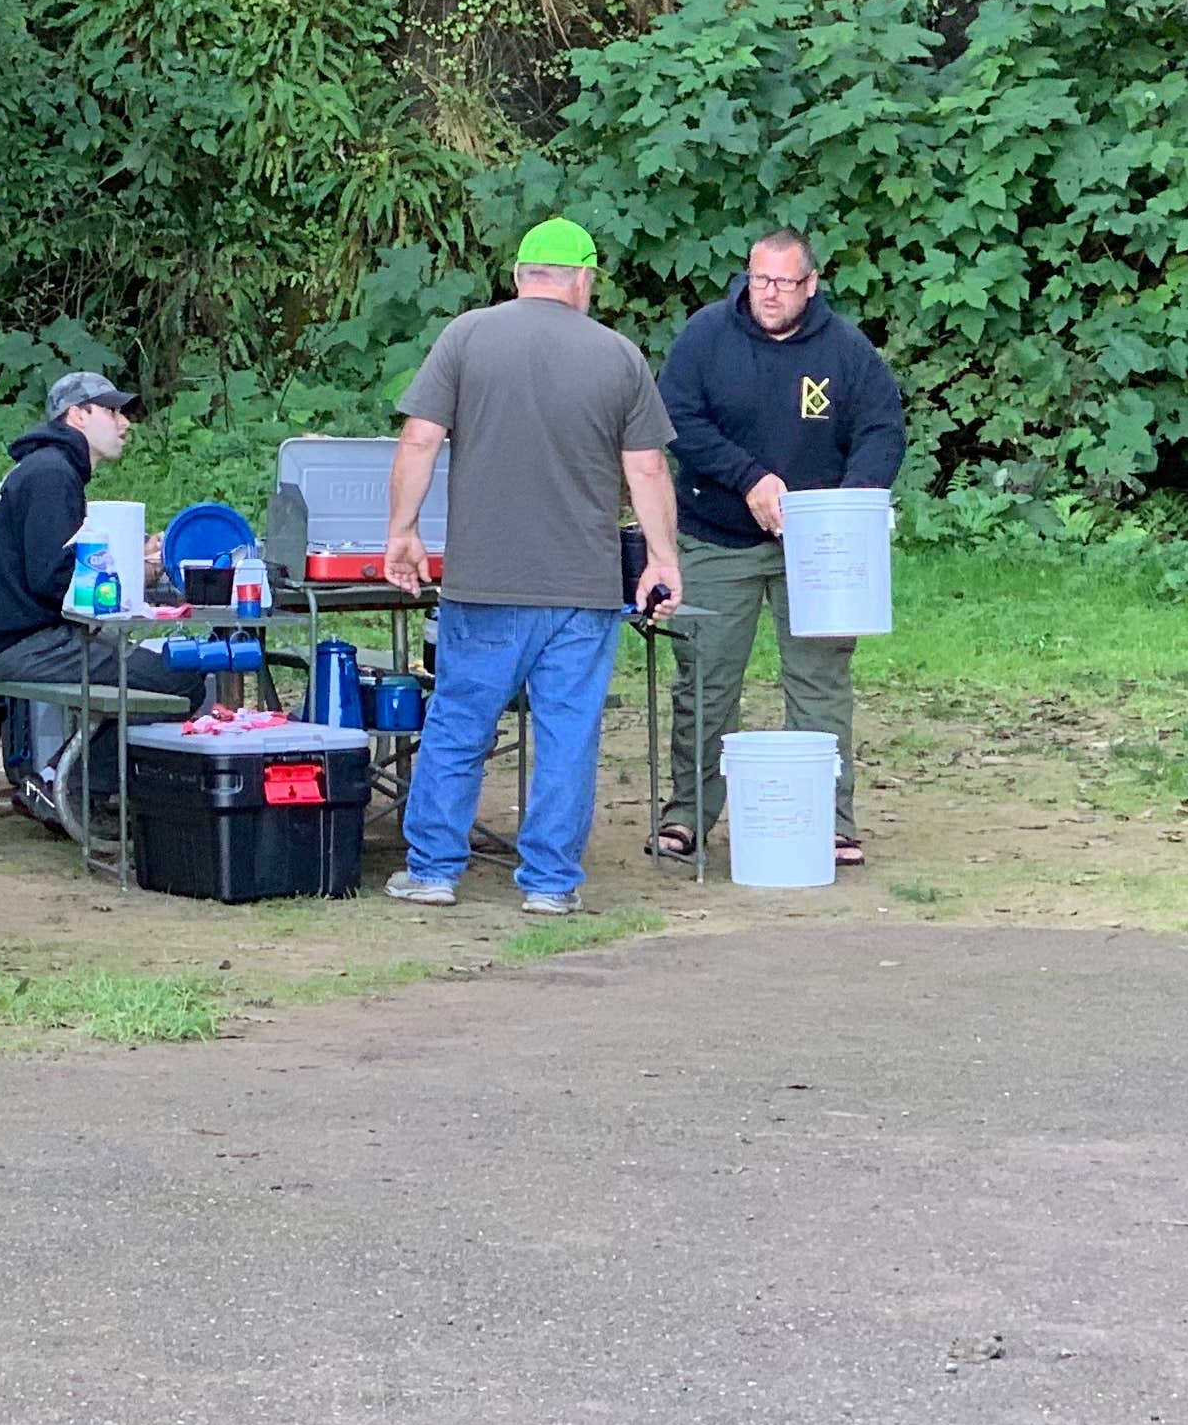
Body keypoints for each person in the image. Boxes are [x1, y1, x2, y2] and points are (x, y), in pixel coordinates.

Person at [378, 219, 682, 916]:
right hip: (583, 587)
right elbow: (646, 467)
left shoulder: (466, 337)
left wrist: (403, 533)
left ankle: (433, 870)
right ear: (583, 280)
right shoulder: (618, 356)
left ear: (520, 276)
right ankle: (549, 884)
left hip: (484, 582)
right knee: (567, 735)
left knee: (460, 722)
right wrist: (663, 558)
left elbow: (420, 439)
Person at [652, 226, 906, 866]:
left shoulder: (846, 350)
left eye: (784, 283)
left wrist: (843, 509)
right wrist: (747, 478)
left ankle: (830, 819)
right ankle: (688, 815)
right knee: (705, 678)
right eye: (759, 279)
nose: (768, 294)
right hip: (718, 537)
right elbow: (676, 417)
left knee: (821, 681)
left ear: (811, 284)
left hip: (816, 549)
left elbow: (882, 429)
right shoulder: (708, 336)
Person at [0, 371, 174, 830]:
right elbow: (53, 578)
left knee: (159, 671)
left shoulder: (45, 468)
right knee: (176, 679)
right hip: (28, 644)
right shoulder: (51, 475)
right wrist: (134, 572)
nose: (125, 423)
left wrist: (128, 553)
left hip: (20, 638)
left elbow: (56, 557)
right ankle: (65, 785)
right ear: (76, 415)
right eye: (112, 411)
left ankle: (66, 780)